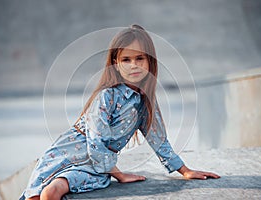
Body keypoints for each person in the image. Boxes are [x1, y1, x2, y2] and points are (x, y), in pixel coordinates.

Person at [20, 24, 220, 200]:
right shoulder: (106, 96)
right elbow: (95, 141)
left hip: (95, 165)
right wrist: (119, 174)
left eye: (140, 58)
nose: (133, 65)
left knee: (52, 192)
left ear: (150, 60)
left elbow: (158, 139)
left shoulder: (146, 102)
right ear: (116, 63)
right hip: (68, 153)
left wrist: (185, 171)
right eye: (126, 59)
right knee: (40, 195)